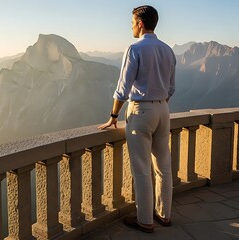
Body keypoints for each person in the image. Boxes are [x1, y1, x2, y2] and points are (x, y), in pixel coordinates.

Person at [99, 5, 176, 233]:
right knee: (164, 166)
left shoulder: (134, 49)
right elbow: (171, 87)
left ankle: (145, 220)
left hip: (141, 112)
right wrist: (160, 104)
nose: (131, 26)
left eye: (132, 22)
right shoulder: (168, 50)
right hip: (163, 110)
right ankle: (165, 215)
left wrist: (114, 115)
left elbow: (122, 88)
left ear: (140, 23)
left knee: (142, 168)